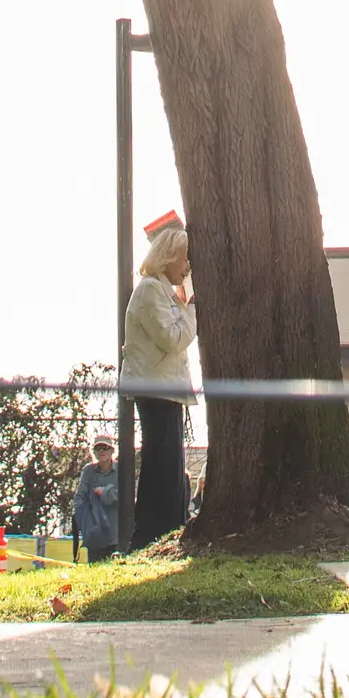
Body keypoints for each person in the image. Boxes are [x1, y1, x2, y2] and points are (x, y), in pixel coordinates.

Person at [119, 215, 196, 549]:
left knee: (169, 464)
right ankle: (150, 536)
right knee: (161, 465)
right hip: (156, 388)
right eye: (184, 257)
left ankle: (167, 529)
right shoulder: (151, 289)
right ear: (169, 256)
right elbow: (174, 339)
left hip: (166, 387)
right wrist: (192, 312)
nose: (188, 265)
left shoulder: (163, 290)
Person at [71, 438, 123, 562]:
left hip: (116, 533)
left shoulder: (121, 470)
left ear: (112, 450)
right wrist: (80, 519)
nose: (101, 451)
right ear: (93, 452)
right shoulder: (88, 471)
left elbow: (127, 495)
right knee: (94, 568)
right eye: (97, 448)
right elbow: (79, 497)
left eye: (105, 448)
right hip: (95, 533)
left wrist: (105, 492)